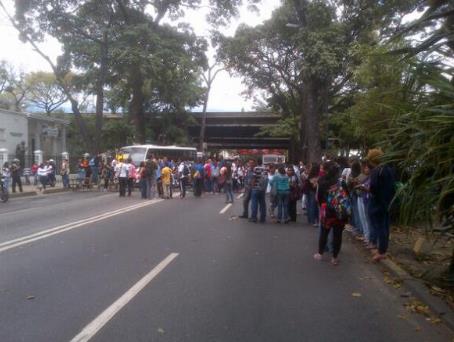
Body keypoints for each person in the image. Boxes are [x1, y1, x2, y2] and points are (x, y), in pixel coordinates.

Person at [365, 148, 395, 262]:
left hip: (377, 202)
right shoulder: (388, 169)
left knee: (379, 227)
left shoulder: (377, 171)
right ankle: (383, 249)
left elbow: (373, 188)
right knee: (384, 227)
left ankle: (381, 251)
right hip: (387, 202)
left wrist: (367, 189)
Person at [314, 161, 346, 265]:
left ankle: (320, 253)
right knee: (337, 234)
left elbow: (318, 197)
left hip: (326, 209)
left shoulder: (321, 180)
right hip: (339, 210)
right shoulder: (341, 181)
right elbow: (347, 195)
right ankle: (334, 257)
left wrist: (322, 204)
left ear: (327, 170)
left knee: (324, 232)